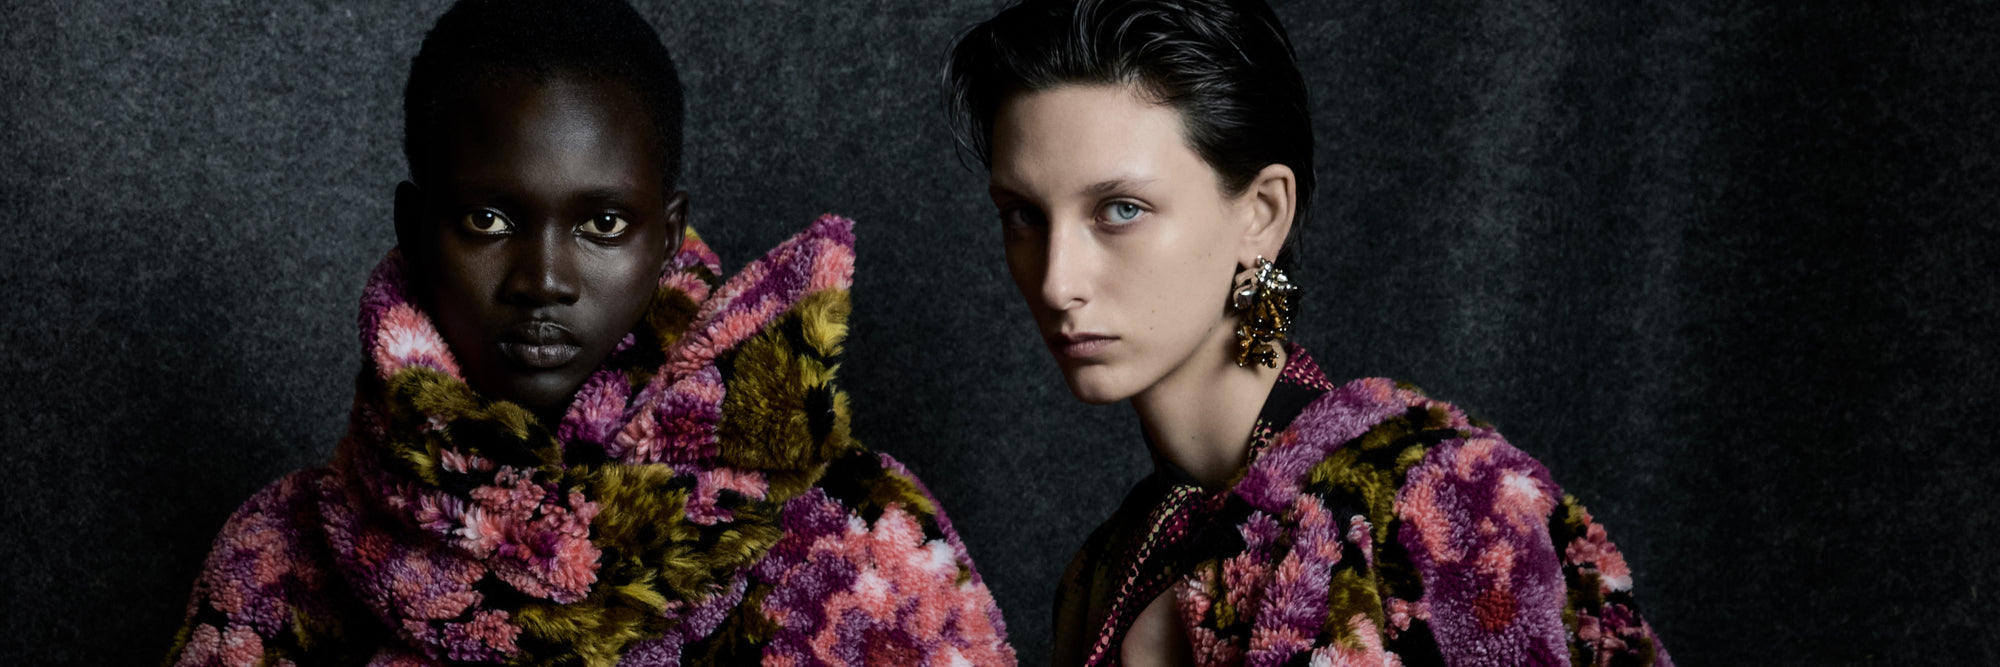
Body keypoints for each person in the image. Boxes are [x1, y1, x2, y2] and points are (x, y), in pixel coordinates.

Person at [166, 1, 1016, 665]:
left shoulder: (858, 533)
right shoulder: (280, 557)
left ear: (667, 234)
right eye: (489, 218)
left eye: (603, 223)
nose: (545, 279)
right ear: (415, 226)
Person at [943, 1, 1669, 665]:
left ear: (1260, 213)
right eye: (1024, 215)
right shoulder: (1109, 566)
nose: (1056, 280)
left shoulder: (1436, 508)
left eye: (1121, 209)